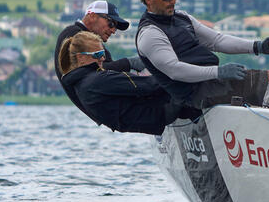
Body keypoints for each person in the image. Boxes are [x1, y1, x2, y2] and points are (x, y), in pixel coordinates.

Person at [134, 0, 269, 110]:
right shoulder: (149, 33)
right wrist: (219, 72)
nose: (173, 1)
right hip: (196, 94)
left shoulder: (182, 18)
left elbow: (217, 41)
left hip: (213, 83)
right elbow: (175, 70)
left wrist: (257, 46)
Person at [58, 31, 186, 135]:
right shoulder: (98, 80)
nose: (103, 58)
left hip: (152, 119)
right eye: (97, 54)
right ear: (81, 57)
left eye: (102, 53)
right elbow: (150, 86)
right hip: (162, 111)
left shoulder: (80, 84)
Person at [53, 0, 147, 124]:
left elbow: (105, 73)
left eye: (116, 27)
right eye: (111, 23)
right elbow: (99, 71)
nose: (114, 30)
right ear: (92, 16)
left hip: (107, 109)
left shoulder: (91, 42)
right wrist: (131, 63)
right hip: (108, 109)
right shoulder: (74, 35)